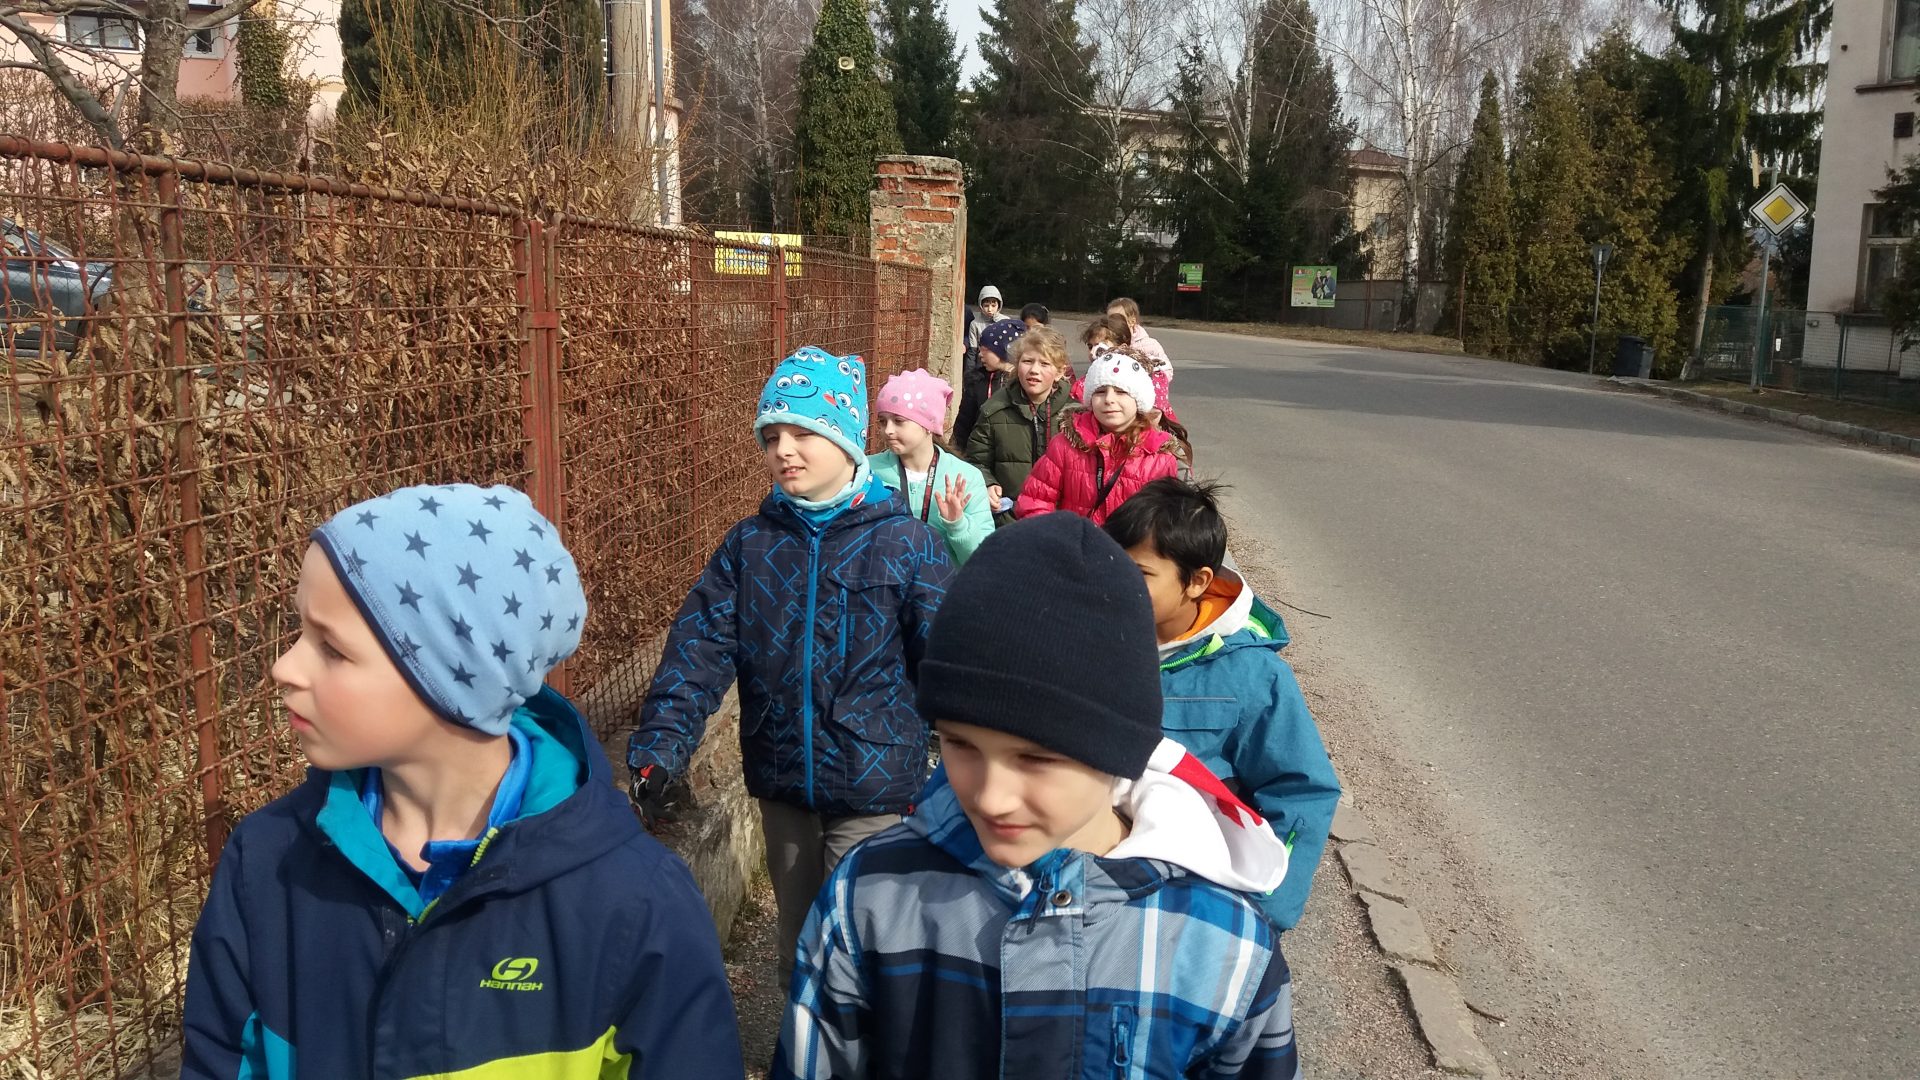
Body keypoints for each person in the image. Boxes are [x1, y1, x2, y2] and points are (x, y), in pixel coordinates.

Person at [181, 484, 740, 1079]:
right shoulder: (266, 866)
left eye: (332, 649)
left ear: (450, 679)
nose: (284, 667)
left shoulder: (633, 906)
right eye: (300, 633)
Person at [774, 514, 1301, 1080]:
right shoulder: (870, 896)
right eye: (959, 744)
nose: (992, 797)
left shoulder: (1225, 945)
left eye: (1037, 758)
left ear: (1121, 751)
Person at [627, 346, 954, 986]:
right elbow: (698, 651)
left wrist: (974, 766)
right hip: (782, 778)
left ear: (848, 441)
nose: (784, 450)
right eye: (772, 436)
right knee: (800, 946)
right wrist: (660, 746)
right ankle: (801, 1034)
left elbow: (946, 657)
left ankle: (864, 1036)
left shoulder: (905, 543)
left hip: (875, 785)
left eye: (804, 433)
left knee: (859, 945)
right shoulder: (750, 545)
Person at [1103, 478, 1341, 933]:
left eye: (1140, 574)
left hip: (1189, 907)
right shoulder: (1089, 641)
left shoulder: (1251, 675)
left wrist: (1260, 912)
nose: (1116, 584)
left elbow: (1302, 790)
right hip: (1091, 886)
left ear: (1197, 582)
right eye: (1110, 564)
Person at [1016, 347, 1180, 525]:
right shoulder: (1064, 445)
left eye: (1121, 391)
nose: (1109, 399)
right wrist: (1056, 537)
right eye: (1100, 391)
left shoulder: (1159, 458)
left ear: (1139, 400)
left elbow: (1165, 523)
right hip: (1074, 541)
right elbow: (1035, 501)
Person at [868, 368, 997, 565]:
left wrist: (958, 524)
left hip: (945, 583)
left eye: (899, 421)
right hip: (883, 581)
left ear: (929, 424)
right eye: (883, 421)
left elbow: (983, 560)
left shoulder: (965, 477)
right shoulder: (869, 472)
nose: (888, 430)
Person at [965, 325, 1074, 523]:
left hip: (1060, 520)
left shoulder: (1074, 415)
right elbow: (976, 460)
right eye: (1027, 361)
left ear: (1059, 372)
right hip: (1009, 520)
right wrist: (987, 483)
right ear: (1016, 365)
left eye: (1045, 363)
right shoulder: (994, 410)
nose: (1034, 370)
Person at [1077, 311, 1177, 424]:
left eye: (1100, 346)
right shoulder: (1094, 376)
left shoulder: (1149, 374)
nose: (1092, 352)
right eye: (1090, 346)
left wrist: (1130, 431)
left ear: (1123, 345)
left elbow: (1154, 415)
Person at [953, 316, 1026, 450]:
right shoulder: (977, 382)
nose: (980, 354)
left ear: (1004, 350)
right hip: (979, 450)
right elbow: (963, 424)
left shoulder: (1023, 383)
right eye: (980, 349)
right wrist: (957, 453)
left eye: (985, 349)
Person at [1107, 296, 1172, 371]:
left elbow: (1167, 369)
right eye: (1110, 319)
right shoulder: (1107, 343)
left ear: (1132, 321)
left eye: (1118, 319)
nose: (1113, 323)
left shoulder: (1150, 344)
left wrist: (1153, 375)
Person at [964, 285, 1006, 370]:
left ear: (999, 305)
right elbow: (972, 352)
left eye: (993, 305)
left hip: (1001, 367)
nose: (990, 309)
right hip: (981, 366)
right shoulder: (975, 324)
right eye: (986, 306)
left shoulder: (1005, 322)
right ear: (981, 305)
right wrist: (969, 373)